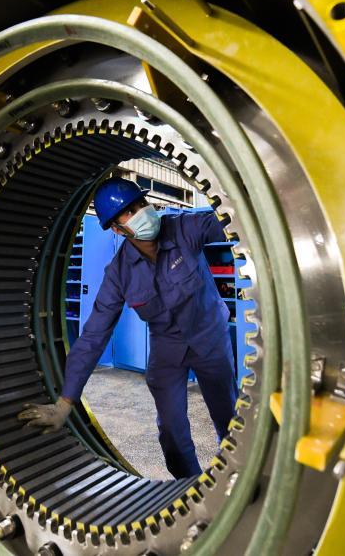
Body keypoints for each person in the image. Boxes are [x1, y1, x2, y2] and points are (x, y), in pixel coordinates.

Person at [18, 177, 237, 479]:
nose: (142, 212)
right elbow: (94, 335)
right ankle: (189, 484)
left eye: (141, 204)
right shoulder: (119, 273)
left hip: (210, 336)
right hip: (167, 348)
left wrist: (235, 197)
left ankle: (238, 473)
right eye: (130, 212)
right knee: (171, 431)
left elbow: (231, 222)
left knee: (229, 418)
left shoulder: (185, 228)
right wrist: (65, 403)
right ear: (117, 230)